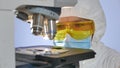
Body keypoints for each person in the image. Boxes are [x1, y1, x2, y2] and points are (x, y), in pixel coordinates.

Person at [59, 0, 120, 68]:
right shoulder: (54, 61)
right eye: (62, 27)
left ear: (95, 27)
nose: (68, 35)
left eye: (78, 25)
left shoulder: (112, 61)